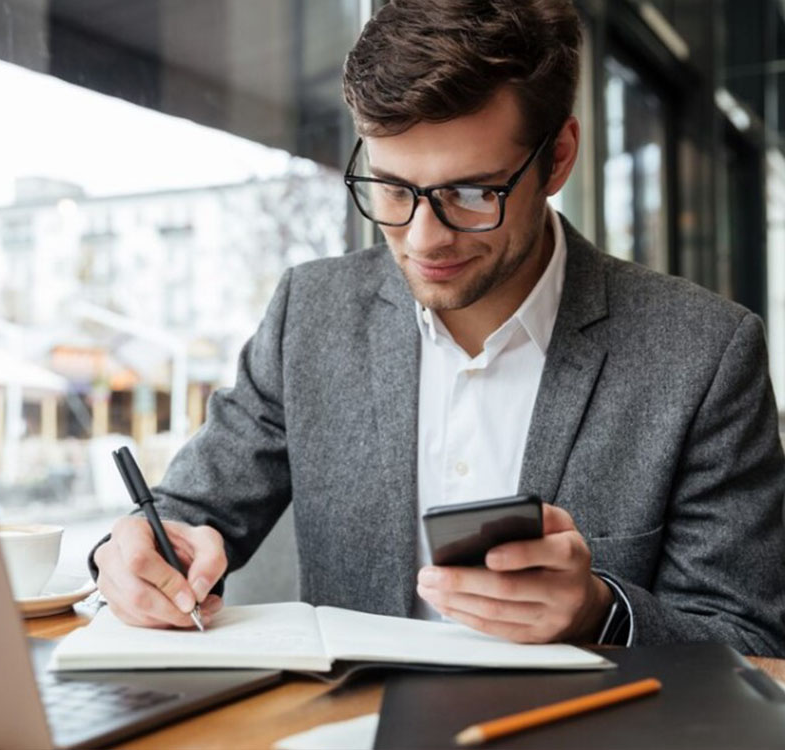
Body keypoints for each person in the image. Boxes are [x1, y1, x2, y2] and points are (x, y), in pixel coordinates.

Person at [90, 0, 785, 654]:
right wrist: (134, 558)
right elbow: (184, 515)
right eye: (392, 188)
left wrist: (601, 612)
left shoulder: (703, 354)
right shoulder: (312, 314)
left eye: (474, 192)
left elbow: (753, 641)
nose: (424, 238)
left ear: (559, 158)